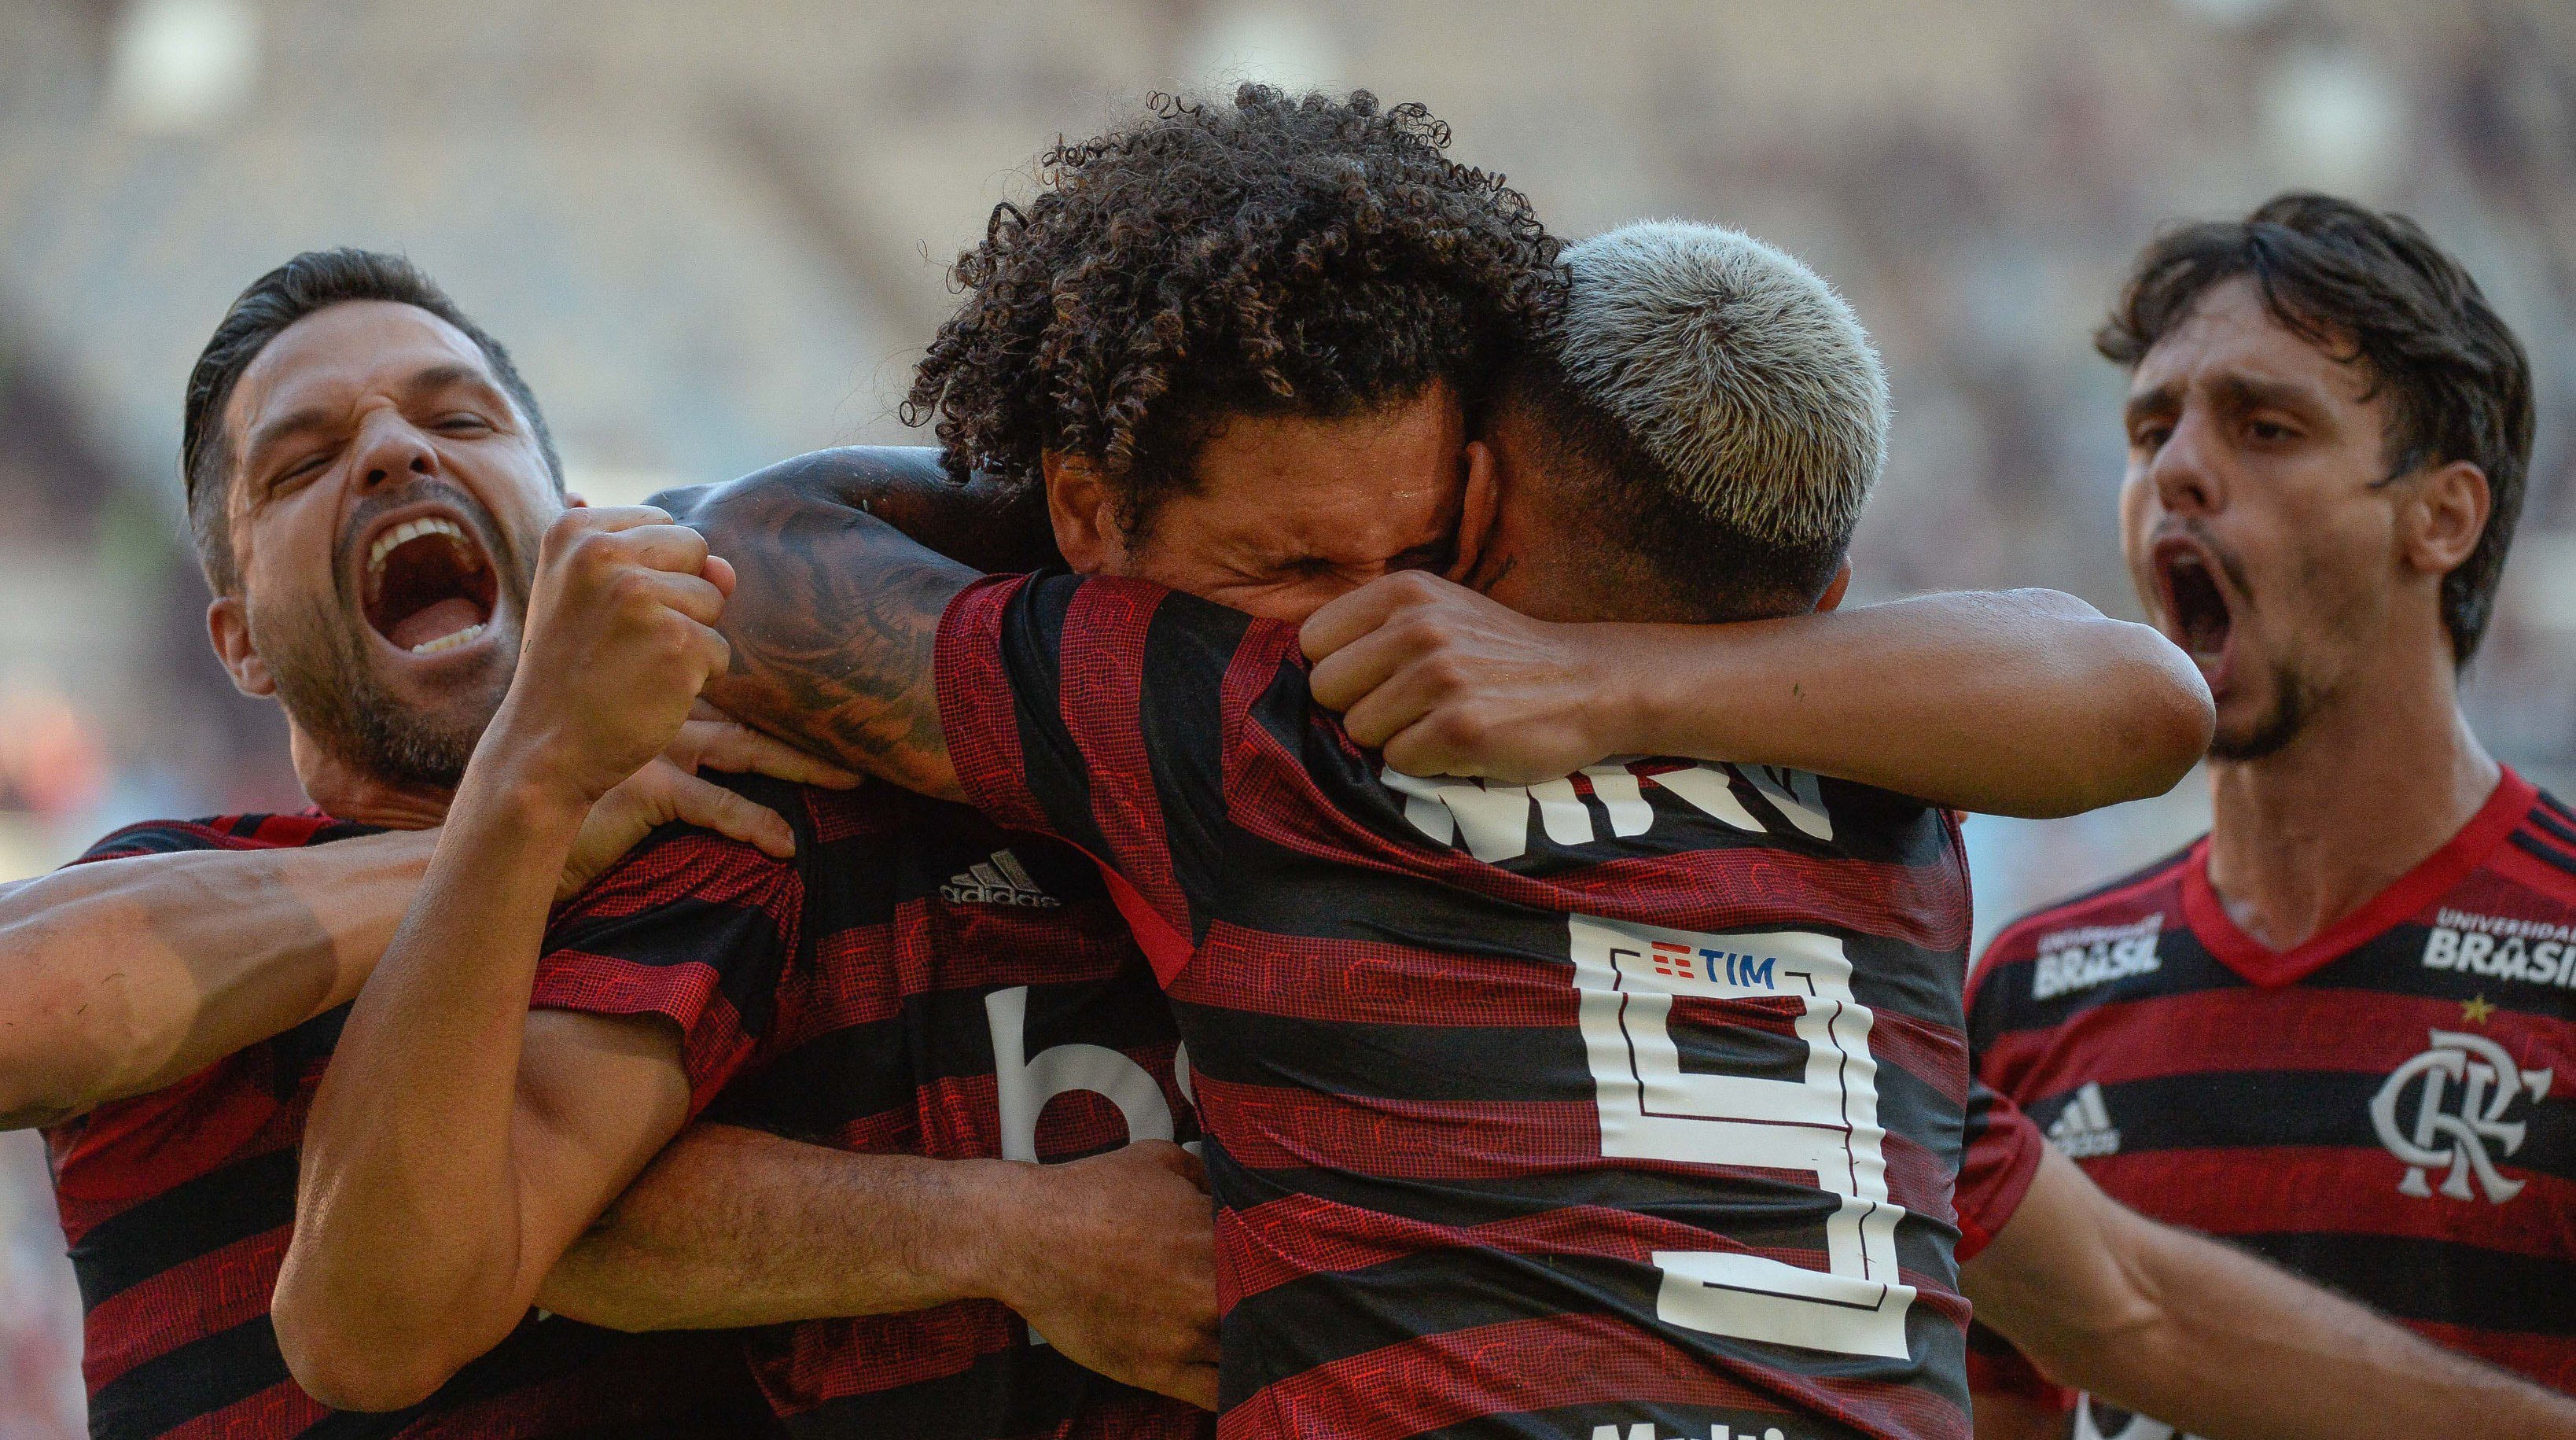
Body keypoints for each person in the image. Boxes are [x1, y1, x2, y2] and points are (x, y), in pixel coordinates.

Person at [665, 197, 2576, 1438]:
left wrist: (1086, 502)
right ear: (1827, 598)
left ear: (1477, 509)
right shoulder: (1894, 824)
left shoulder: (1279, 737)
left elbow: (751, 562)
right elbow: (2131, 1302)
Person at [12, 248, 852, 1439]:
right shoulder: (193, 871)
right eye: (303, 462)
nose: (394, 453)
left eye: (457, 416)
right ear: (240, 641)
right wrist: (534, 813)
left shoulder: (723, 840)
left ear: (569, 534)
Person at [1967, 194, 2574, 1438]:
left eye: (2266, 425)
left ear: (2442, 517)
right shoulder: (2032, 992)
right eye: (2150, 431)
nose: (2175, 469)